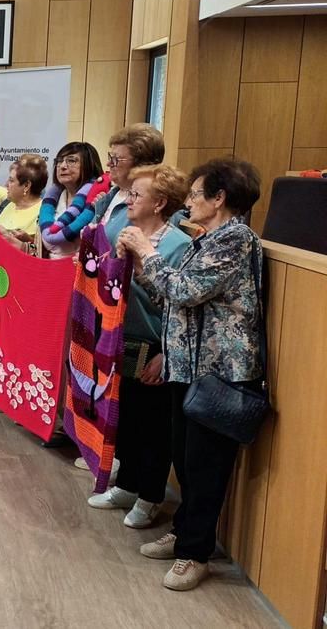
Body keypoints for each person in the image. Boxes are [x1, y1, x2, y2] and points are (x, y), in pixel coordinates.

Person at [119, 158, 264, 592]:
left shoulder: (235, 239)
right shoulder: (205, 240)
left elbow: (185, 289)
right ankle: (185, 532)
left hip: (219, 373)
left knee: (204, 468)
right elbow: (172, 299)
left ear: (220, 198)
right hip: (188, 367)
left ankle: (195, 553)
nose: (189, 203)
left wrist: (147, 251)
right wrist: (142, 268)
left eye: (197, 194)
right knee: (184, 460)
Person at [87, 164, 191, 525]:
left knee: (153, 429)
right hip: (119, 339)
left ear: (159, 203)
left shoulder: (178, 246)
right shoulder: (124, 233)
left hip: (154, 345)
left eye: (136, 194)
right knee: (125, 420)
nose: (128, 200)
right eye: (129, 193)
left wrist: (165, 354)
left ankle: (150, 496)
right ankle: (127, 484)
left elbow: (178, 307)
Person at [95, 123, 167, 235]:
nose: (108, 163)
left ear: (142, 164)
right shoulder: (109, 195)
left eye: (116, 159)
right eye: (110, 157)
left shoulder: (148, 206)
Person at [40, 141, 105, 258]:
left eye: (71, 161)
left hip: (83, 266)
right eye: (59, 161)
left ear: (88, 166)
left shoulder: (100, 198)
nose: (63, 166)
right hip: (50, 266)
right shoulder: (51, 199)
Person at [0, 153, 48, 256]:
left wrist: (28, 241)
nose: (6, 185)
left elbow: (44, 253)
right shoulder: (7, 204)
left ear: (26, 185)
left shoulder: (43, 211)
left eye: (11, 180)